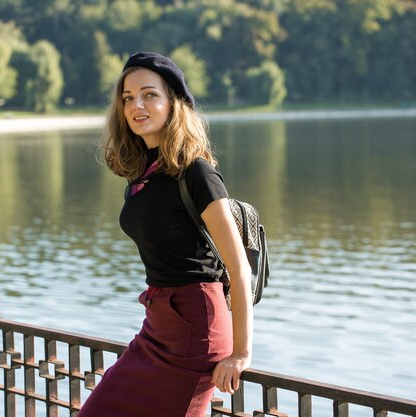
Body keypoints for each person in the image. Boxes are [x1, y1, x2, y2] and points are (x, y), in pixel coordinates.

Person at [78, 52, 253, 417]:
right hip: (158, 326)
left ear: (174, 102)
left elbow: (239, 268)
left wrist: (241, 353)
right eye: (128, 98)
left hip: (197, 329)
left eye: (149, 95)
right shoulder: (143, 174)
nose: (137, 105)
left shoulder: (197, 173)